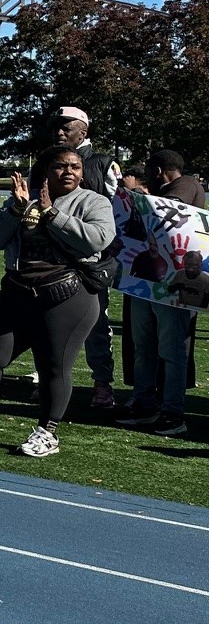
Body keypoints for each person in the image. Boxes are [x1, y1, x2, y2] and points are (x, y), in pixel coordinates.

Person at [0, 146, 116, 458]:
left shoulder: (94, 201)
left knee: (54, 366)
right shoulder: (25, 198)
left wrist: (53, 214)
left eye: (75, 166)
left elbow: (96, 240)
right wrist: (15, 210)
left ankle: (47, 432)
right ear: (47, 170)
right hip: (18, 290)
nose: (69, 172)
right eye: (61, 166)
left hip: (67, 295)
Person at [116, 149, 203, 437]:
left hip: (174, 284)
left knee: (171, 349)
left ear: (158, 170)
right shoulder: (167, 188)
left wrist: (134, 192)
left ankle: (173, 412)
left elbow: (168, 209)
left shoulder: (187, 184)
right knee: (144, 346)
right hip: (148, 280)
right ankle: (144, 403)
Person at [51, 108, 123, 410]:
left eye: (66, 127)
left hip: (92, 261)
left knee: (96, 324)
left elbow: (121, 210)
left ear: (83, 130)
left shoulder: (103, 164)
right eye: (56, 127)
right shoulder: (47, 161)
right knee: (49, 324)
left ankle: (102, 383)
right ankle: (49, 377)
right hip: (52, 257)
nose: (59, 132)